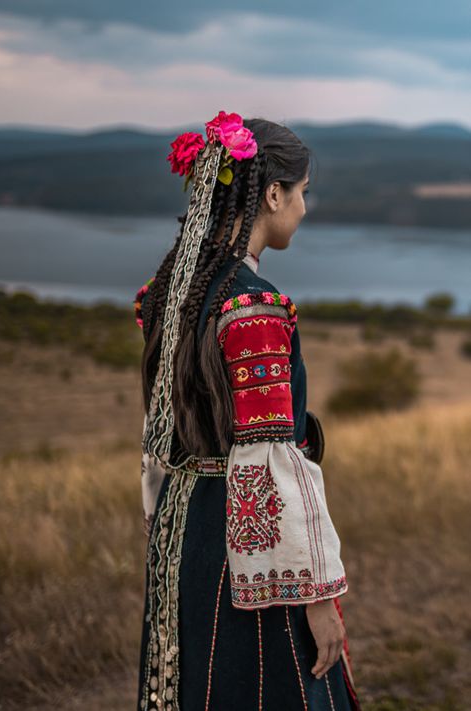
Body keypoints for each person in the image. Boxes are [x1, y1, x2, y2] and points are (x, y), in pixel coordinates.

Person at [134, 111, 362, 710]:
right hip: (246, 553)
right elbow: (267, 464)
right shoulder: (253, 308)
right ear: (272, 193)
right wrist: (317, 598)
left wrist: (163, 521)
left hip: (184, 531)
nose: (304, 210)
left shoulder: (171, 294)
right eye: (302, 193)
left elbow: (159, 435)